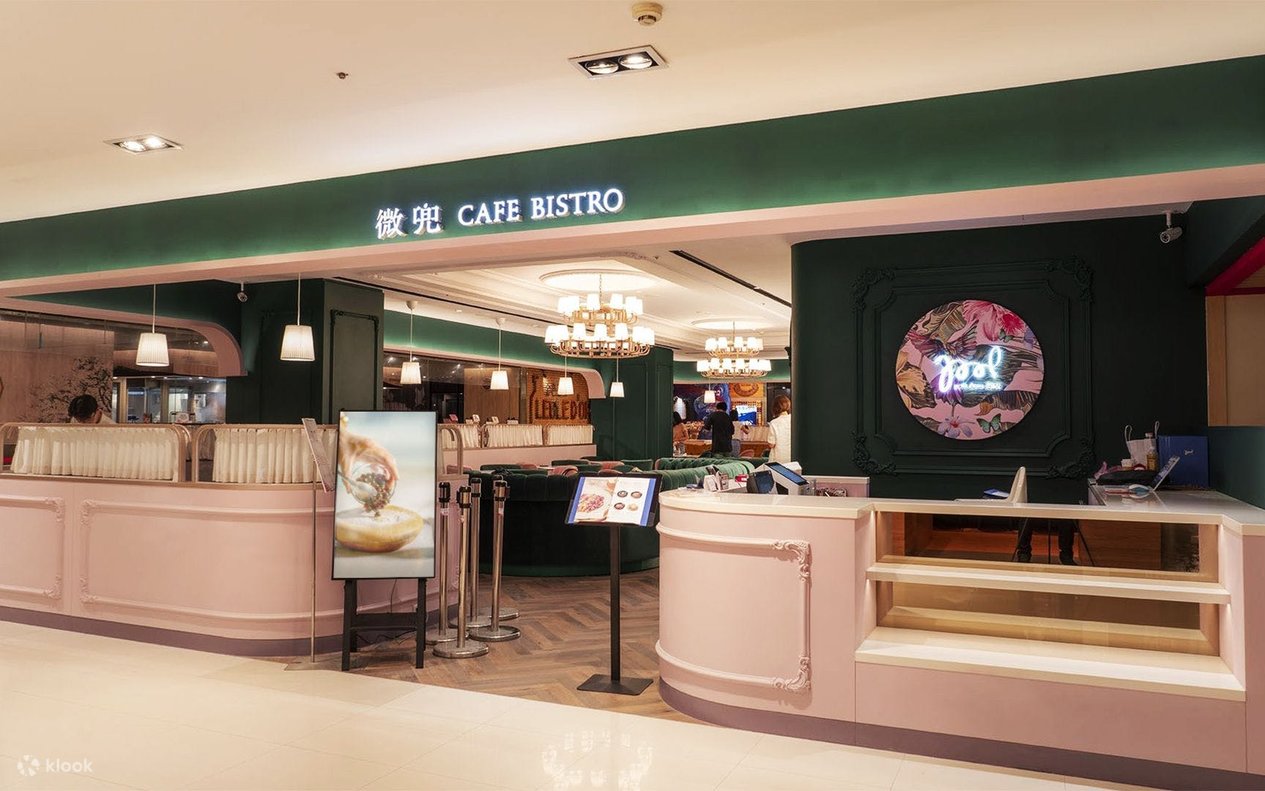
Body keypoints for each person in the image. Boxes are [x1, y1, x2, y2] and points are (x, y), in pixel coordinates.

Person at [768, 395, 792, 463]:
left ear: (775, 408)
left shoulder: (774, 423)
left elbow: (771, 444)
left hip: (778, 459)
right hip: (792, 458)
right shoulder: (794, 420)